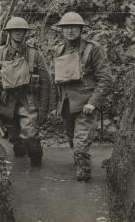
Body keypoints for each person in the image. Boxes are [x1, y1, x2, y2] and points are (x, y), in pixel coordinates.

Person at [51, 12, 113, 181]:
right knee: (72, 140)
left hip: (86, 105)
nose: (70, 30)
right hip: (66, 105)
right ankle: (80, 161)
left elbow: (106, 79)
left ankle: (83, 178)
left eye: (73, 27)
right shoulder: (59, 50)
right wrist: (54, 105)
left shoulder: (94, 49)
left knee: (80, 145)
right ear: (62, 30)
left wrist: (93, 103)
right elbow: (56, 80)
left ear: (81, 29)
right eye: (66, 27)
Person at [0, 16, 50, 166]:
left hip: (27, 100)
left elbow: (45, 83)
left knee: (30, 135)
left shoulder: (35, 54)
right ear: (9, 32)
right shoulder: (0, 53)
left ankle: (36, 166)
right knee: (15, 138)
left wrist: (44, 109)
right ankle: (20, 165)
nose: (18, 33)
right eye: (14, 31)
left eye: (21, 31)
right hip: (6, 102)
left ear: (25, 33)